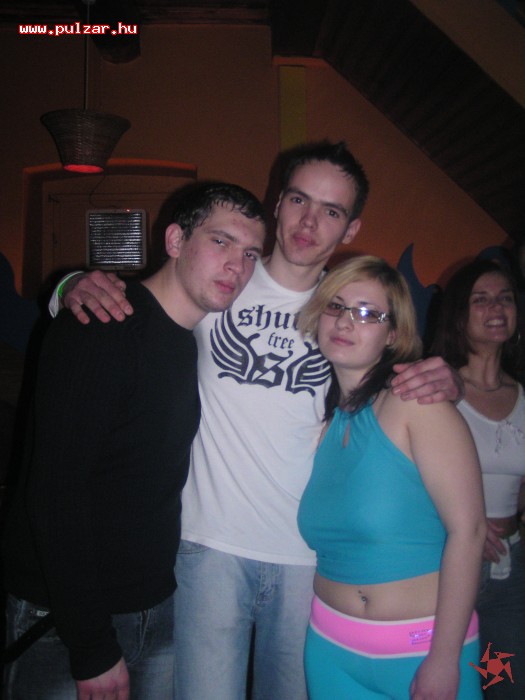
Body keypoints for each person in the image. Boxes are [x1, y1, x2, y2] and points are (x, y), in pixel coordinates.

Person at [54, 141, 461, 699]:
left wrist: (448, 379)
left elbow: (397, 381)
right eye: (299, 200)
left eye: (331, 211)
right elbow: (140, 304)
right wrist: (68, 286)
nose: (309, 221)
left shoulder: (345, 310)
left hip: (306, 556)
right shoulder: (222, 280)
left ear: (351, 227)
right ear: (278, 202)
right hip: (207, 546)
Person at [1, 182, 266, 700]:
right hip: (65, 620)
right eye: (221, 241)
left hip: (154, 608)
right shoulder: (102, 323)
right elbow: (54, 494)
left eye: (251, 253)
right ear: (175, 240)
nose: (237, 265)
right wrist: (91, 645)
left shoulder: (193, 341)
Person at [297, 255, 486, 699]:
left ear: (394, 334)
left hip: (421, 651)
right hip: (329, 649)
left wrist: (445, 659)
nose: (346, 321)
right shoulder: (325, 426)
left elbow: (470, 531)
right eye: (336, 306)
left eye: (367, 313)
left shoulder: (416, 404)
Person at [431, 259, 525, 699]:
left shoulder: (522, 395)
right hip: (448, 561)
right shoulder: (438, 389)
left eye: (505, 298)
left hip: (510, 564)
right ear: (459, 314)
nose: (497, 308)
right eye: (481, 299)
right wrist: (465, 523)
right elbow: (406, 477)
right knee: (451, 679)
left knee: (503, 683)